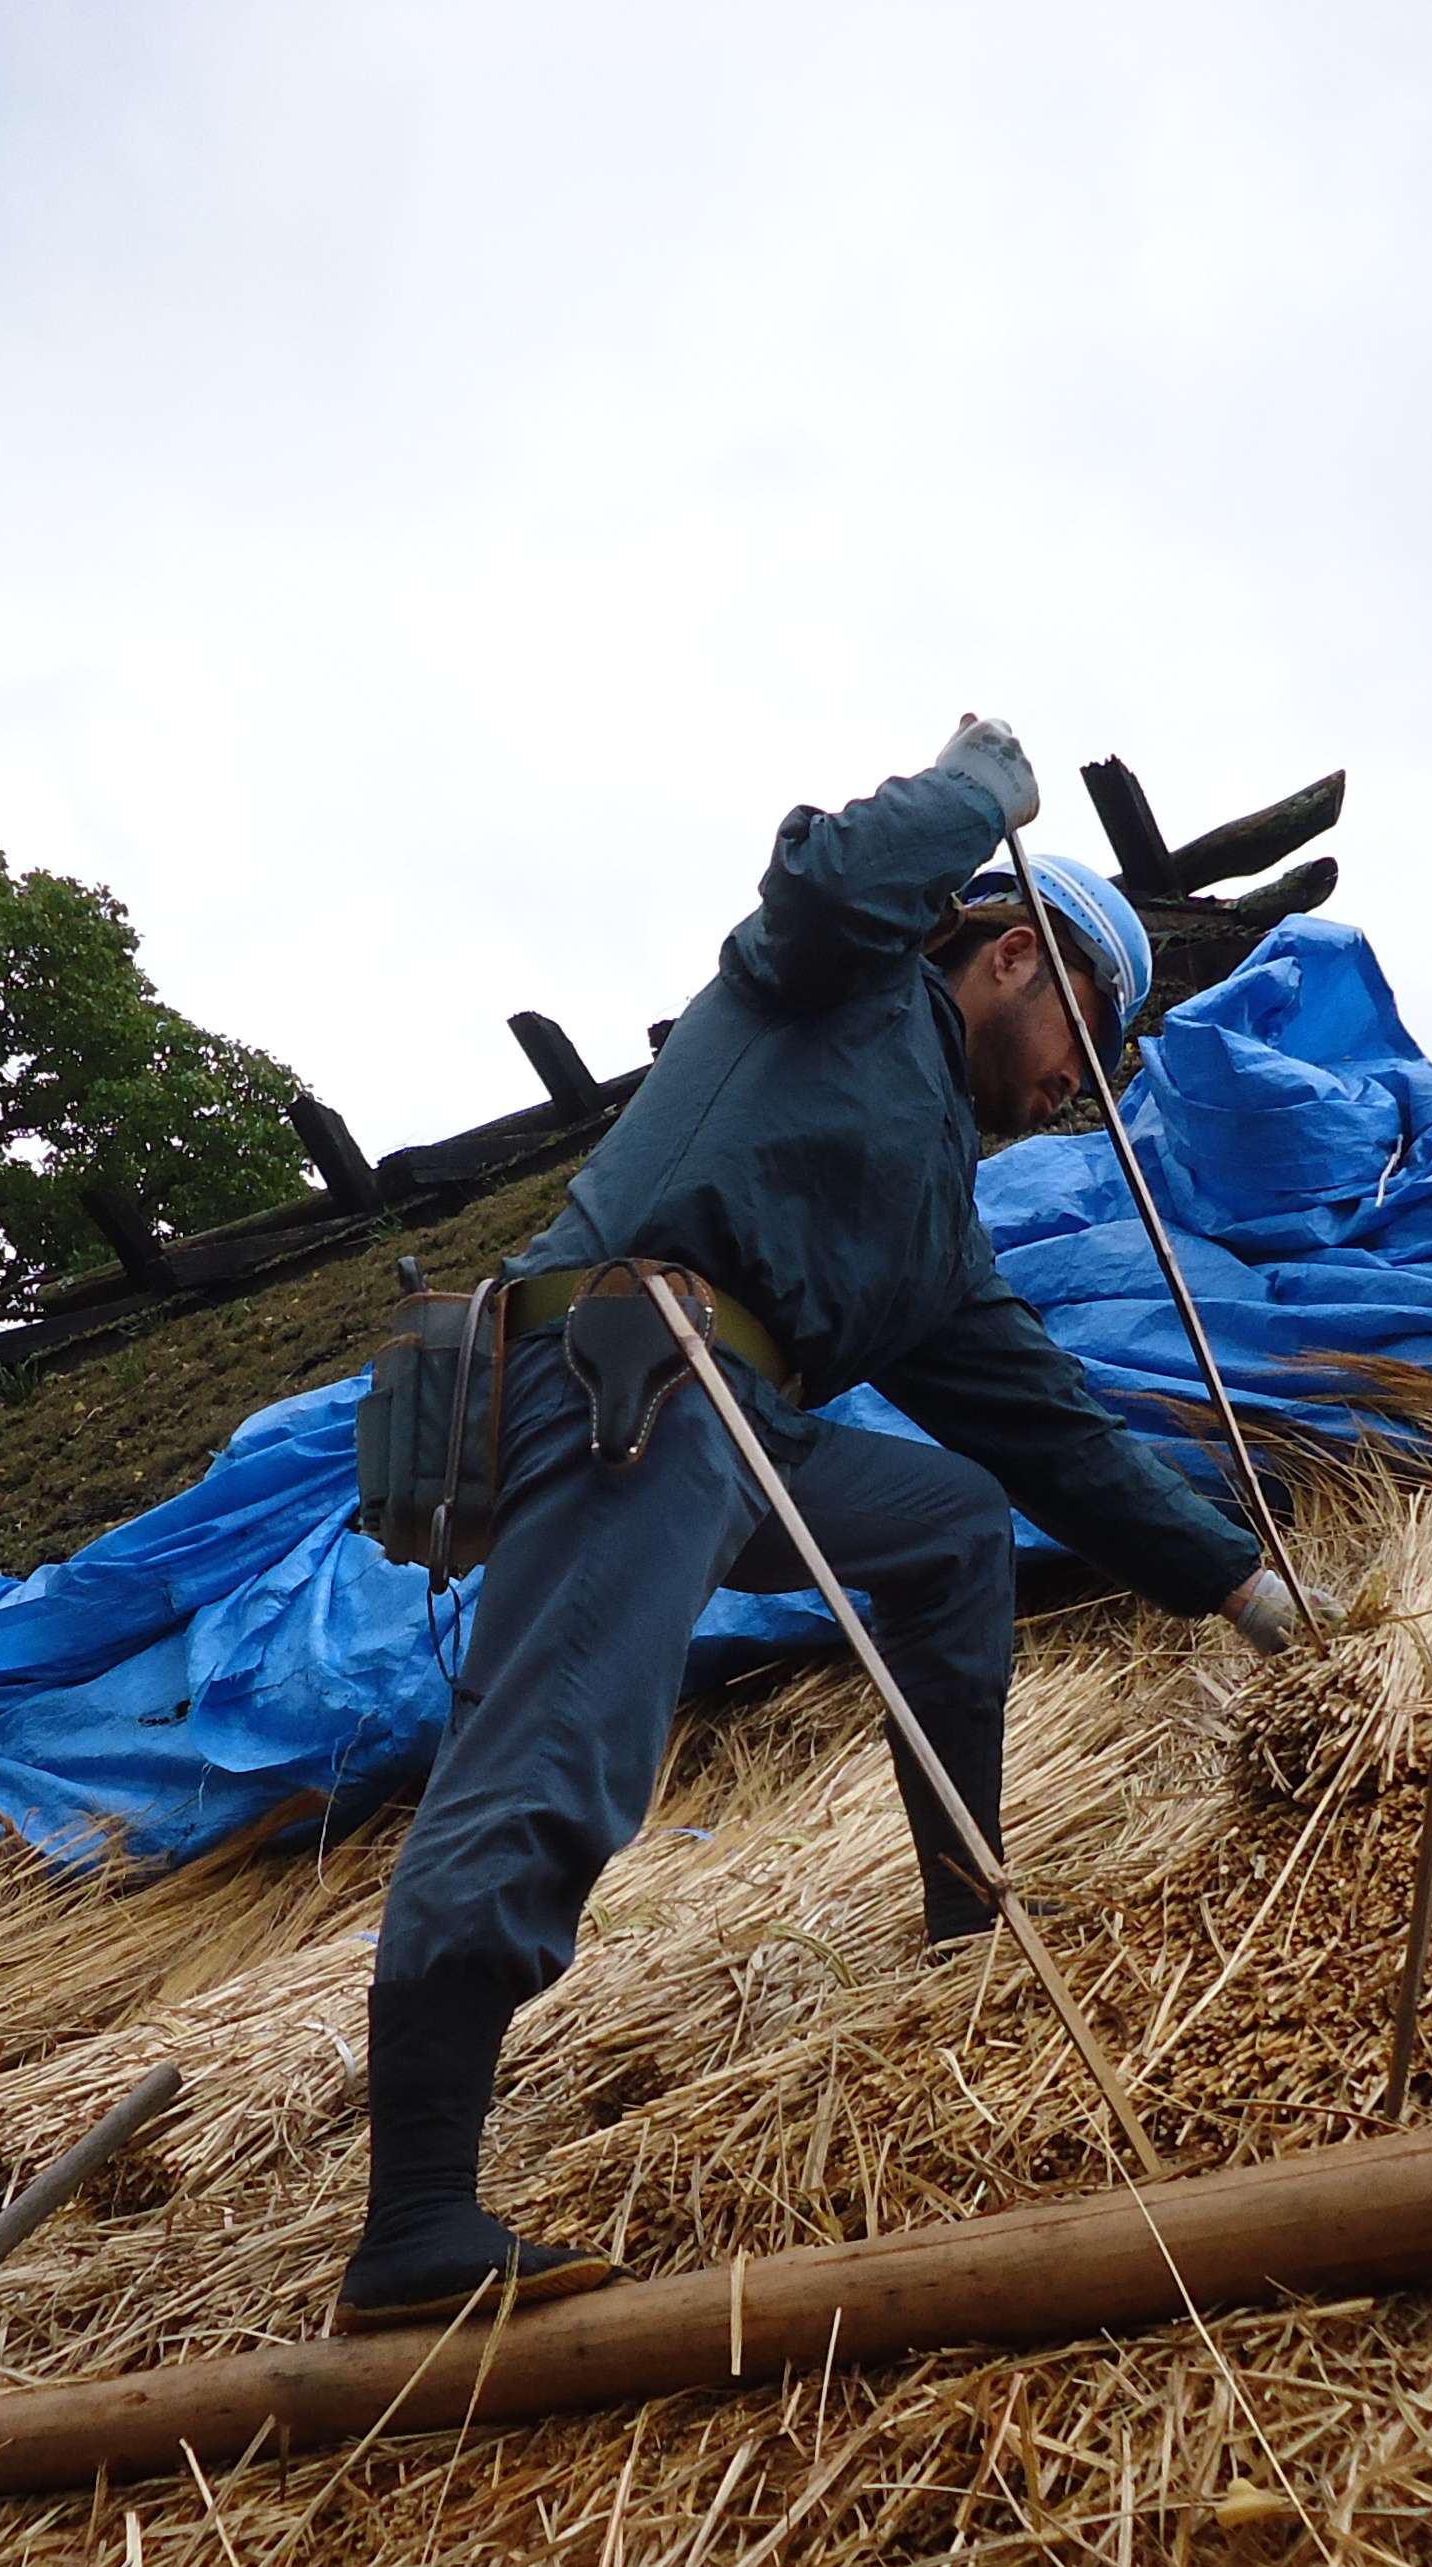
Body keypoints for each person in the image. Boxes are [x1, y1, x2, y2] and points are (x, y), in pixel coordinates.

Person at [339, 719, 1308, 2331]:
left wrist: (1240, 1584)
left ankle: (963, 1908)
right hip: (629, 1382)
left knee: (946, 1520)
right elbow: (833, 877)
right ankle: (416, 2219)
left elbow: (1053, 1433)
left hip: (742, 1433)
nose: (1086, 1084)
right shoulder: (835, 981)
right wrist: (980, 792)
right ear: (1012, 952)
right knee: (562, 1750)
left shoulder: (932, 1213)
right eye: (1089, 1031)